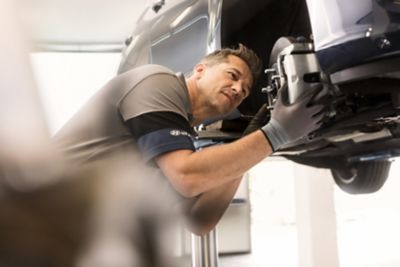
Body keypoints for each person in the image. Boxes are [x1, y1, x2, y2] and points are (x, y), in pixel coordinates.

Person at [54, 43, 324, 235]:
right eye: (232, 75)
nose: (239, 88)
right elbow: (188, 177)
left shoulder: (178, 139)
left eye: (245, 90)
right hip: (41, 217)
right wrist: (275, 134)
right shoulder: (157, 82)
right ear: (199, 70)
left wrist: (252, 145)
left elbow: (199, 219)